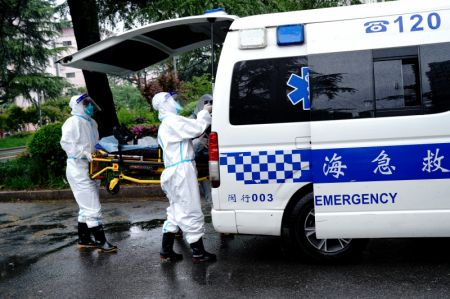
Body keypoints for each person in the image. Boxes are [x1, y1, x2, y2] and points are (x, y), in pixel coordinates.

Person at [152, 91, 216, 263]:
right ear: (165, 103)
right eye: (172, 99)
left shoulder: (166, 123)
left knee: (175, 210)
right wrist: (205, 112)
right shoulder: (172, 121)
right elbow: (197, 128)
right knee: (191, 208)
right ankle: (198, 252)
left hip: (173, 171)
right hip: (181, 171)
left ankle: (166, 250)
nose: (175, 102)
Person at [60, 93, 117, 253]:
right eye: (87, 104)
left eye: (91, 103)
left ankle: (84, 238)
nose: (91, 106)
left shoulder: (92, 122)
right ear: (78, 105)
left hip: (92, 166)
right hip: (78, 168)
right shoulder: (72, 122)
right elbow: (66, 142)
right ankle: (101, 241)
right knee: (92, 206)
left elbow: (95, 143)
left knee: (86, 205)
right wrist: (82, 153)